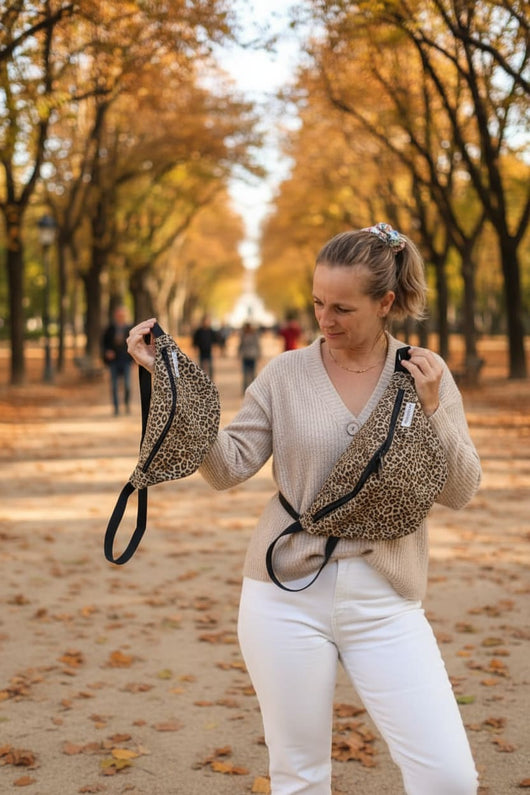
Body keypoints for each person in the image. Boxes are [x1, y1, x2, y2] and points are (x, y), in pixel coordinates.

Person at [126, 222, 481, 795]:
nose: (325, 319)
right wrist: (172, 381)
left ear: (385, 302)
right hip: (282, 596)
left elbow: (461, 489)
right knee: (300, 778)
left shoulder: (424, 372)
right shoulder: (286, 374)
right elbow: (225, 467)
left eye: (342, 307)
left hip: (387, 600)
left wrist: (435, 409)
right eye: (318, 302)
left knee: (449, 777)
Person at [102, 305, 133, 416]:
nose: (120, 317)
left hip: (125, 360)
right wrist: (107, 352)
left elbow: (134, 345)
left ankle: (126, 404)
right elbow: (104, 344)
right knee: (114, 386)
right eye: (119, 315)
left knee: (127, 385)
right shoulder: (110, 329)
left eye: (122, 315)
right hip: (114, 361)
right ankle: (116, 408)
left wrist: (134, 358)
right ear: (116, 316)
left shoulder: (130, 329)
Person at [192, 314, 218, 379]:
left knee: (210, 367)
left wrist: (215, 349)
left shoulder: (211, 331)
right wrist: (195, 349)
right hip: (201, 352)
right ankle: (202, 379)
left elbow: (214, 341)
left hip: (209, 351)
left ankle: (211, 380)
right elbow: (195, 341)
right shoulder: (199, 331)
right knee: (201, 368)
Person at [238, 321, 262, 393]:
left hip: (251, 356)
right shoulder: (243, 335)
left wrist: (259, 354)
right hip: (246, 356)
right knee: (246, 374)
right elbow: (241, 345)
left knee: (252, 374)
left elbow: (257, 345)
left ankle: (252, 390)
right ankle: (246, 390)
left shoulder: (253, 335)